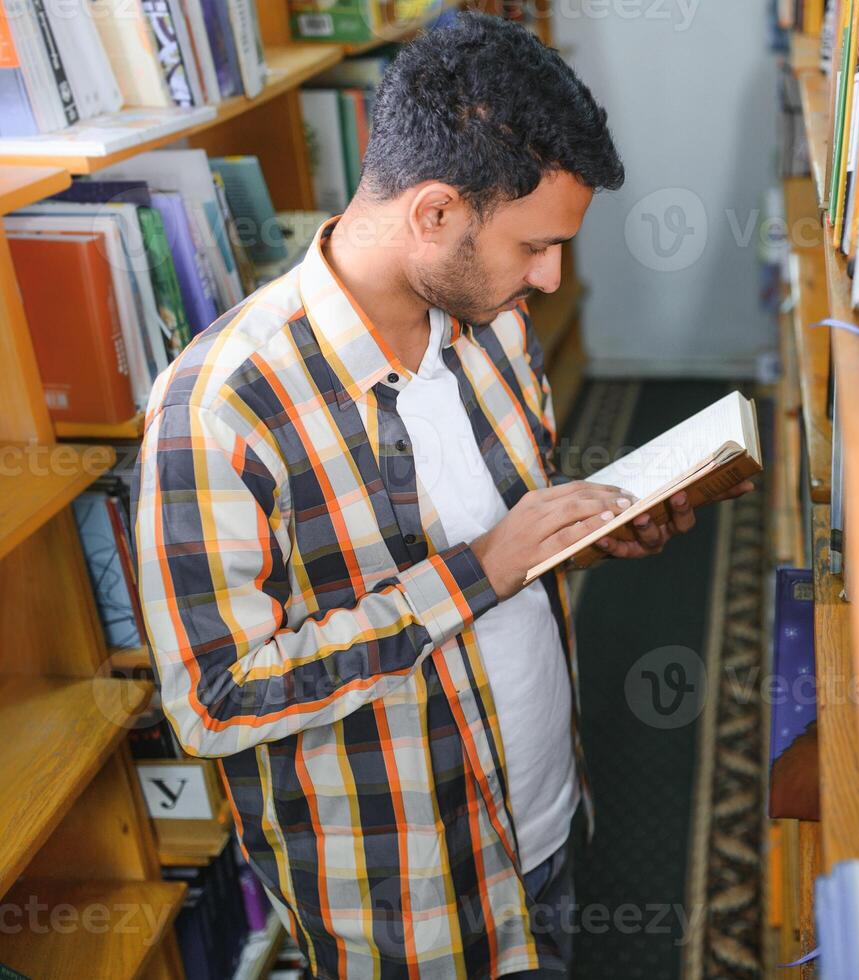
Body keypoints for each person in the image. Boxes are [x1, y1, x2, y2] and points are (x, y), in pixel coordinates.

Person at [134, 13, 751, 977]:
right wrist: (474, 573)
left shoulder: (491, 320)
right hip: (404, 886)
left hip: (546, 807)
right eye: (534, 246)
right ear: (431, 213)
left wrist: (585, 533)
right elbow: (214, 698)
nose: (550, 277)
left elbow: (503, 537)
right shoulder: (219, 408)